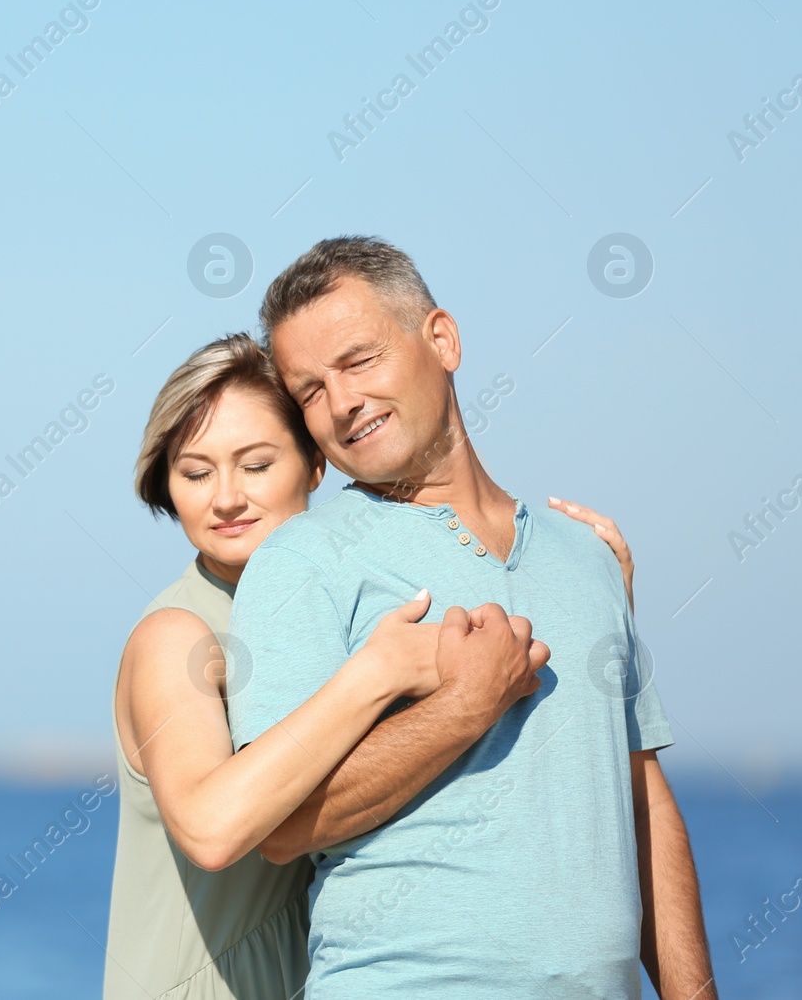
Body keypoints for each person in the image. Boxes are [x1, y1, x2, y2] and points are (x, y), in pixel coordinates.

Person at [227, 236, 714, 999]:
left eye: (358, 360)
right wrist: (464, 707)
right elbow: (283, 827)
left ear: (442, 339)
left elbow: (642, 797)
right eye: (310, 390)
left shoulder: (585, 556)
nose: (342, 401)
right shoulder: (301, 561)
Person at [104, 333, 637, 1000]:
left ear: (316, 466)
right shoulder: (177, 636)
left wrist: (593, 583)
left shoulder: (346, 609)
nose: (226, 498)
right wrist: (376, 674)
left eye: (256, 464)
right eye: (196, 472)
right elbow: (212, 830)